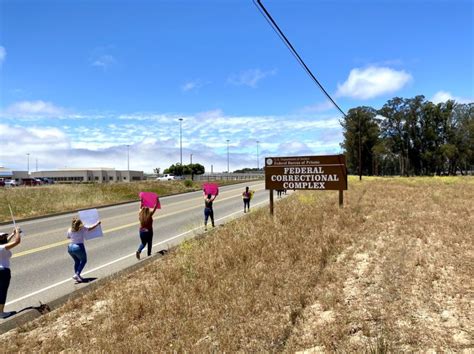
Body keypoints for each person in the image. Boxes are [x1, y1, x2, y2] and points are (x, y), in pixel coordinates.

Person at [67, 217, 101, 283]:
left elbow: (68, 237)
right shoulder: (82, 229)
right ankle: (77, 274)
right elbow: (91, 228)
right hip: (78, 247)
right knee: (83, 260)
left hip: (70, 247)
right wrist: (97, 224)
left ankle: (77, 276)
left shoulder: (69, 229)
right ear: (80, 224)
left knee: (77, 261)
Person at [0, 227, 21, 318]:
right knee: (2, 291)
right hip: (3, 271)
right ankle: (1, 312)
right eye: (2, 236)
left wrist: (12, 234)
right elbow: (17, 241)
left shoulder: (2, 246)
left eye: (5, 236)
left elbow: (6, 242)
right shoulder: (3, 248)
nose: (5, 237)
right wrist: (17, 233)